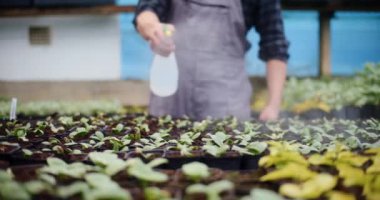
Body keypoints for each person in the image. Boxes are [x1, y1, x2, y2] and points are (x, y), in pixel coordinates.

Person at [134, 0, 289, 121]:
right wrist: (154, 28)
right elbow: (146, 12)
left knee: (226, 157)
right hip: (172, 99)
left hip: (226, 102)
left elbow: (275, 44)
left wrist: (273, 106)